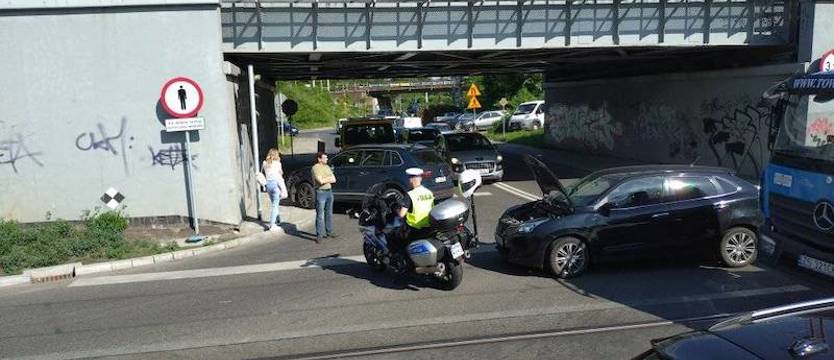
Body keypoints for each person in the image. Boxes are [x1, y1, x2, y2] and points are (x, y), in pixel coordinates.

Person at [393, 168, 435, 251]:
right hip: (429, 226)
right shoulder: (429, 192)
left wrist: (396, 210)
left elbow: (401, 214)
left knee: (396, 239)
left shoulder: (410, 195)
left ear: (412, 180)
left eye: (409, 178)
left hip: (415, 228)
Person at [312, 152, 336, 243]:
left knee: (329, 213)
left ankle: (329, 231)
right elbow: (320, 181)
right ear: (319, 159)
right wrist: (327, 179)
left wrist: (325, 179)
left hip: (329, 192)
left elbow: (334, 179)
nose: (327, 159)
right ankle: (319, 234)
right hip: (320, 192)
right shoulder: (315, 168)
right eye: (325, 158)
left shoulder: (327, 167)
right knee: (320, 214)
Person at [262, 148, 286, 232]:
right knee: (275, 205)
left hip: (268, 184)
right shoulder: (278, 163)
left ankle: (277, 219)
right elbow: (281, 173)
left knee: (274, 203)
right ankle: (272, 225)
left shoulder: (264, 163)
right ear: (276, 155)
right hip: (276, 185)